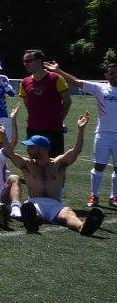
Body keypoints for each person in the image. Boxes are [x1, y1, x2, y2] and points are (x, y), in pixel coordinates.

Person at [4, 111, 103, 236]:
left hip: (55, 204)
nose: (27, 150)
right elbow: (10, 153)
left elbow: (76, 151)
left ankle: (82, 227)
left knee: (68, 214)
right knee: (31, 210)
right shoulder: (27, 165)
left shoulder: (58, 164)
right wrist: (3, 133)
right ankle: (32, 221)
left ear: (42, 149)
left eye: (31, 147)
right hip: (34, 203)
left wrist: (80, 130)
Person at [47, 62, 117, 207]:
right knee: (99, 166)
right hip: (103, 134)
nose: (114, 76)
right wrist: (59, 71)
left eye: (116, 73)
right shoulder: (100, 88)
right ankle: (94, 196)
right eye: (111, 73)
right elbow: (76, 82)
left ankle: (114, 197)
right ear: (106, 75)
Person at [18, 49, 70, 157]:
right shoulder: (24, 82)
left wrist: (60, 119)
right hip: (33, 129)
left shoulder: (56, 78)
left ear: (39, 62)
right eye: (24, 61)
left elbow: (67, 101)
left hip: (53, 129)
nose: (25, 64)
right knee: (34, 160)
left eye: (28, 61)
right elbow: (28, 105)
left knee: (55, 161)